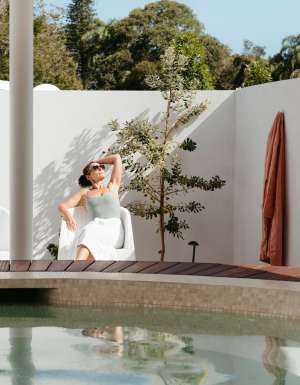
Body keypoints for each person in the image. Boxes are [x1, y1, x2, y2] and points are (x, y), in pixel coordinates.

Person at [57, 153, 124, 261]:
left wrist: (95, 162)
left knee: (89, 232)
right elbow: (62, 206)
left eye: (102, 167)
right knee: (89, 233)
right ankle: (77, 270)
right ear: (88, 176)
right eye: (96, 168)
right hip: (95, 229)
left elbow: (116, 158)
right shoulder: (85, 193)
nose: (101, 169)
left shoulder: (112, 186)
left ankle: (73, 271)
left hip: (114, 230)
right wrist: (68, 215)